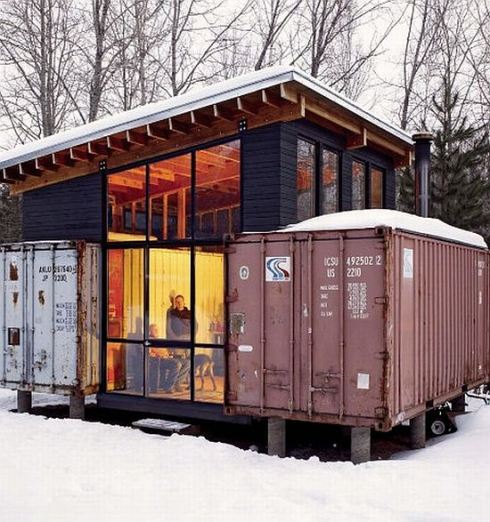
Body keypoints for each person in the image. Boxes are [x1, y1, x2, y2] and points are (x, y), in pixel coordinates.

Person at [148, 323, 190, 393]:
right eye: (155, 330)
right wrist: (156, 355)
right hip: (159, 360)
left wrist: (171, 354)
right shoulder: (148, 340)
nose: (157, 331)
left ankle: (177, 383)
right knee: (177, 364)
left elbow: (167, 351)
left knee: (187, 363)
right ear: (150, 331)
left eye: (157, 330)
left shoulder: (159, 340)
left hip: (168, 358)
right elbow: (147, 352)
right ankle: (168, 387)